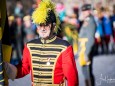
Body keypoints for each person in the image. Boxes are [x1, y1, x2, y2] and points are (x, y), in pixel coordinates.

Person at [4, 0, 79, 86]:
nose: (42, 28)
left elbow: (72, 78)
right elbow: (24, 69)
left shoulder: (64, 47)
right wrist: (7, 68)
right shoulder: (29, 46)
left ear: (53, 26)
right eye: (40, 25)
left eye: (46, 25)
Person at [78, 4, 96, 86]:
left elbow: (91, 39)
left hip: (86, 49)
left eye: (86, 10)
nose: (84, 12)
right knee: (85, 72)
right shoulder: (86, 20)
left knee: (88, 72)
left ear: (89, 11)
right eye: (83, 11)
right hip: (83, 48)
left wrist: (86, 53)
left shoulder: (90, 21)